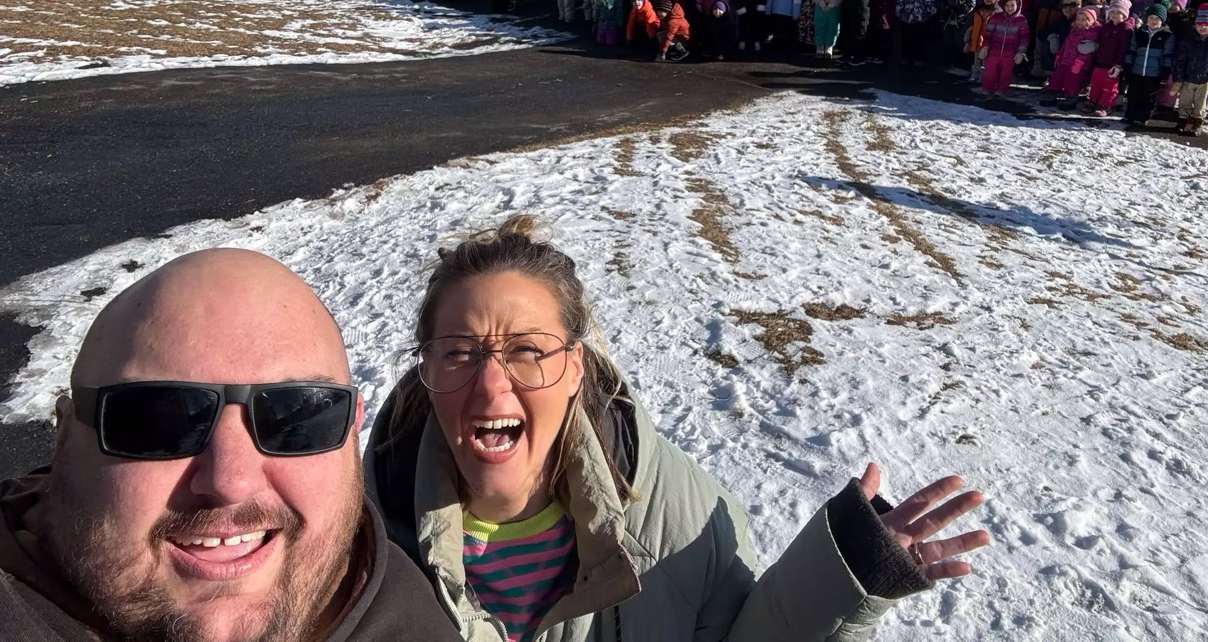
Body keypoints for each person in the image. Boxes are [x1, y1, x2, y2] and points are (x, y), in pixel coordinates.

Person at [365, 216, 988, 642]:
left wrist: (846, 571)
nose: (490, 385)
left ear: (576, 367)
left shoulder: (684, 523)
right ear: (425, 368)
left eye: (529, 350)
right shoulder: (359, 542)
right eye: (458, 352)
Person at [0, 249, 463, 642]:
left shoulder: (414, 620)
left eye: (296, 416)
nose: (230, 481)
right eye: (160, 419)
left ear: (351, 429)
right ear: (64, 436)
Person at [1170, 4, 1208, 136]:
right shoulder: (1188, 39)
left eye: (1206, 25)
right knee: (1184, 101)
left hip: (1205, 79)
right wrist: (1178, 79)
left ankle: (1197, 122)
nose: (1202, 27)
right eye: (1200, 24)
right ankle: (1182, 120)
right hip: (1187, 78)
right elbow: (1180, 60)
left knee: (1200, 104)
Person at [1085, 0, 1136, 116]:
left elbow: (1123, 49)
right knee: (1096, 83)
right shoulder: (1106, 27)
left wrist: (1118, 65)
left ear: (1124, 15)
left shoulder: (1125, 29)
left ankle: (1105, 105)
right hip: (1100, 61)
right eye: (1112, 11)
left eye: (1118, 12)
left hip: (1113, 64)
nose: (1114, 14)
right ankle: (1093, 101)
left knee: (1110, 86)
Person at [979, 0, 1029, 96]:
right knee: (989, 72)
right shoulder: (996, 17)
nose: (1009, 8)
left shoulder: (1021, 20)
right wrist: (985, 46)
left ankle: (1002, 89)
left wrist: (1020, 52)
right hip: (994, 51)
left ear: (1018, 5)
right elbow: (988, 34)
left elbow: (1024, 38)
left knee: (1005, 74)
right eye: (1007, 5)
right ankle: (988, 88)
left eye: (1012, 5)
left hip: (1010, 53)